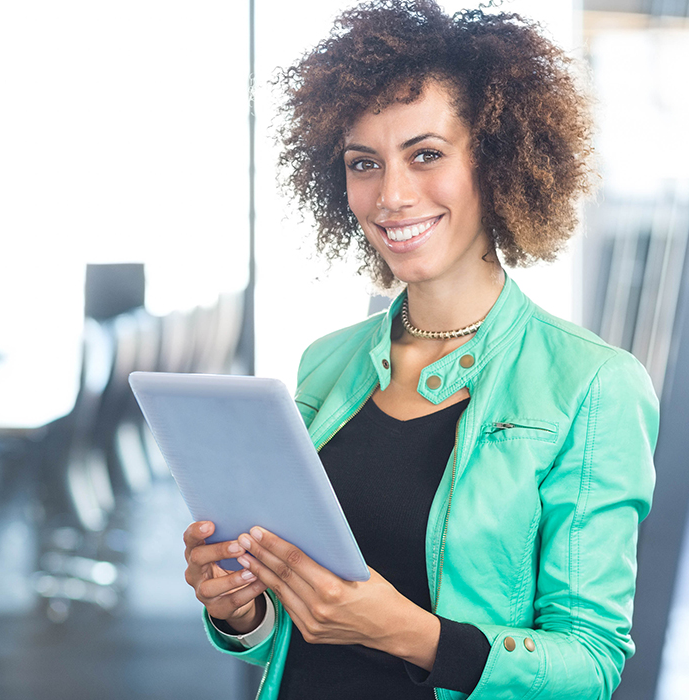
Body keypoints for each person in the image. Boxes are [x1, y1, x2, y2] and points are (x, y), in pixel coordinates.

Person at [181, 2, 659, 698]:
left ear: (497, 161)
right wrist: (243, 609)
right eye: (364, 163)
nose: (391, 196)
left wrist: (403, 630)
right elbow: (299, 632)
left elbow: (590, 666)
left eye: (426, 154)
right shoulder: (329, 362)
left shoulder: (593, 385)